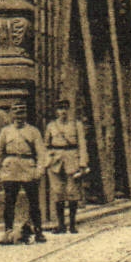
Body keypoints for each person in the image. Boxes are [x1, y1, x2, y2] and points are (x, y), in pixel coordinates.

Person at [0, 102, 48, 244]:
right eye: (16, 113)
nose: (19, 117)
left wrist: (39, 169)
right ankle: (8, 232)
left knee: (34, 202)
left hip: (28, 169)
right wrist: (6, 164)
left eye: (22, 113)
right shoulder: (5, 131)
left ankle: (38, 231)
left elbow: (41, 153)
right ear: (12, 115)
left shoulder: (33, 131)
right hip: (11, 170)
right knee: (9, 202)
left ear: (25, 115)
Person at [45, 98, 88, 234]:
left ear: (69, 110)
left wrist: (82, 163)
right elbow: (46, 145)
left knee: (72, 192)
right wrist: (47, 161)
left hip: (72, 158)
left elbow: (82, 144)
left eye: (65, 109)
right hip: (56, 161)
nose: (63, 112)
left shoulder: (76, 125)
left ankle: (73, 224)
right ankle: (61, 224)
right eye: (60, 109)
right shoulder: (51, 126)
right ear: (57, 111)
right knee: (58, 192)